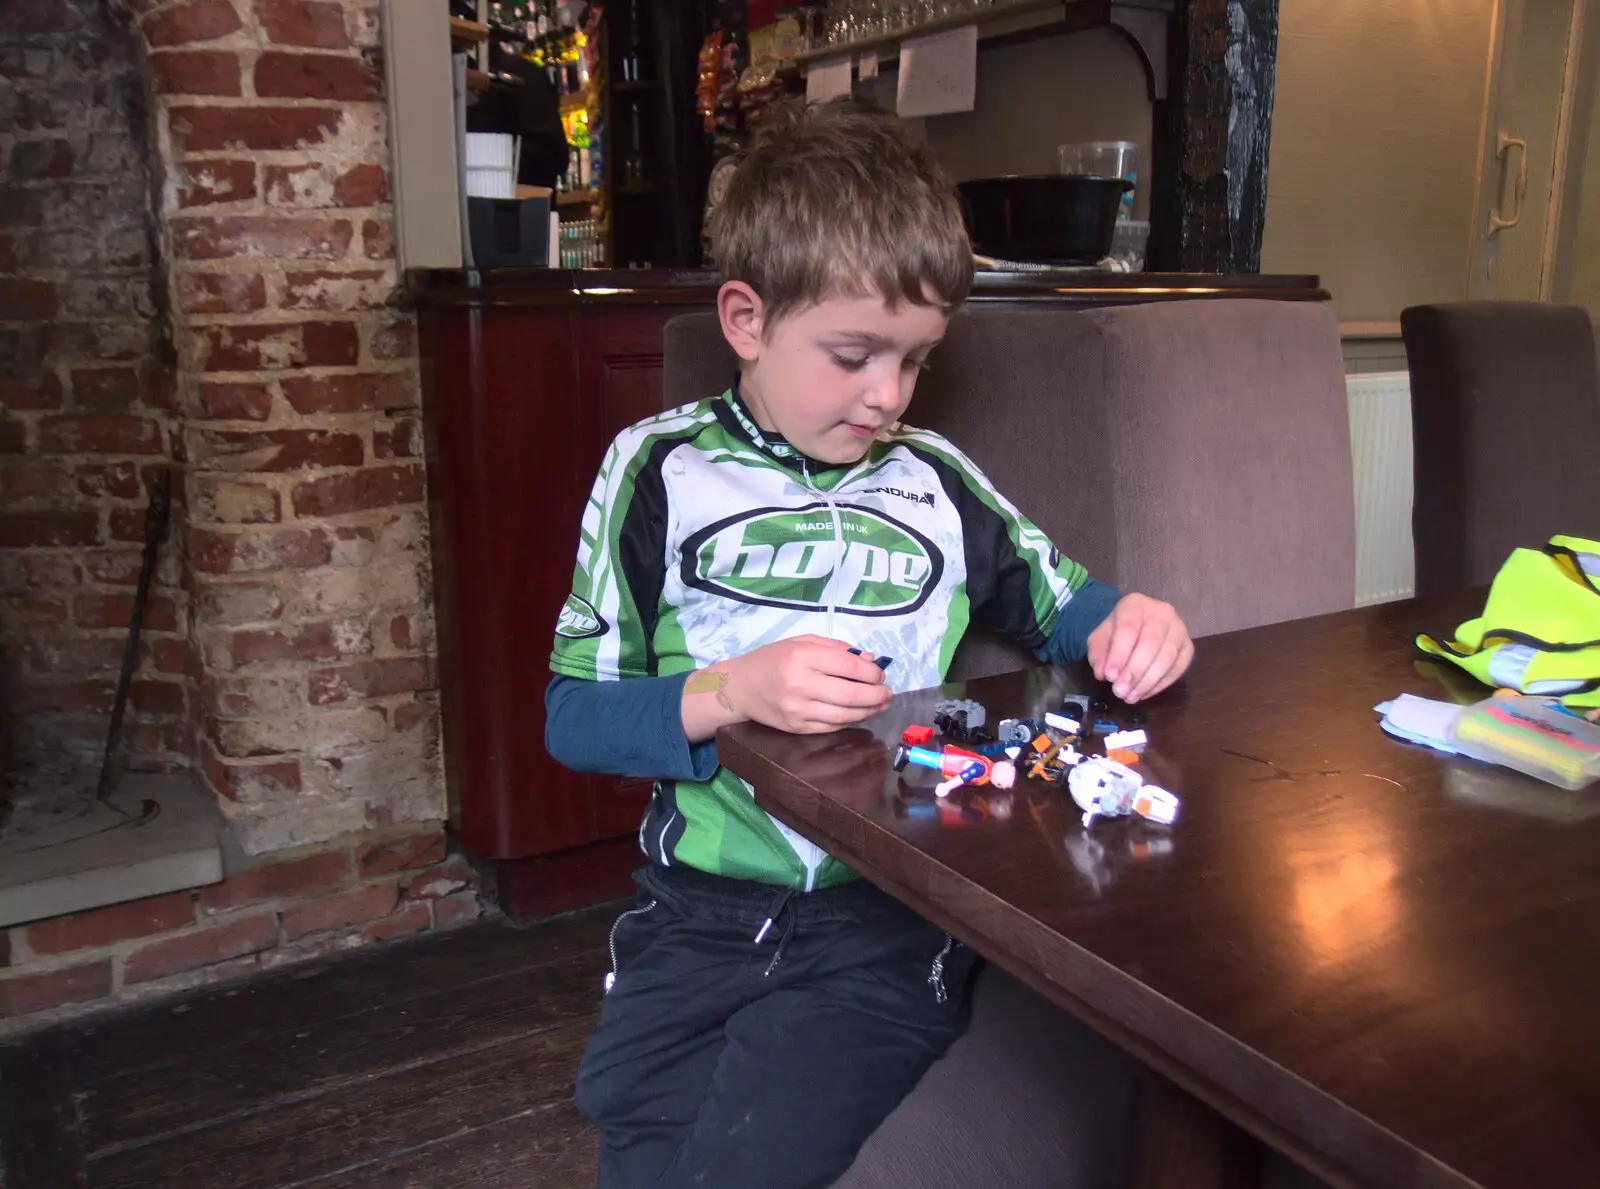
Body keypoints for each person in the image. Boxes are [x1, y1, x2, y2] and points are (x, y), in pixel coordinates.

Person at [543, 96, 1193, 1189]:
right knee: (633, 1132)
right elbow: (575, 719)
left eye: (915, 360)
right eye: (851, 355)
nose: (885, 397)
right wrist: (728, 691)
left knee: (750, 1158)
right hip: (698, 910)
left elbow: (1066, 603)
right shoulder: (653, 468)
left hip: (891, 915)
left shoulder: (934, 477)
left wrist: (1137, 620)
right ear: (746, 320)